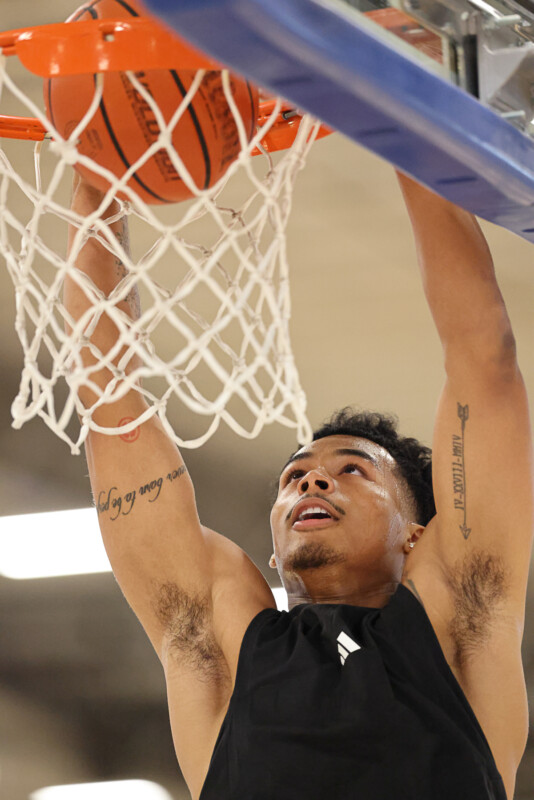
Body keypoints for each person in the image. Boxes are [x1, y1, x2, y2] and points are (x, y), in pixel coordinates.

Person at [66, 168, 532, 800]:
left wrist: (401, 133)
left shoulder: (461, 618)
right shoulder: (223, 643)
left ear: (417, 536)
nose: (311, 478)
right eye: (293, 479)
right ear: (272, 550)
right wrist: (97, 177)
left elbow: (486, 359)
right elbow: (112, 406)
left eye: (352, 471)